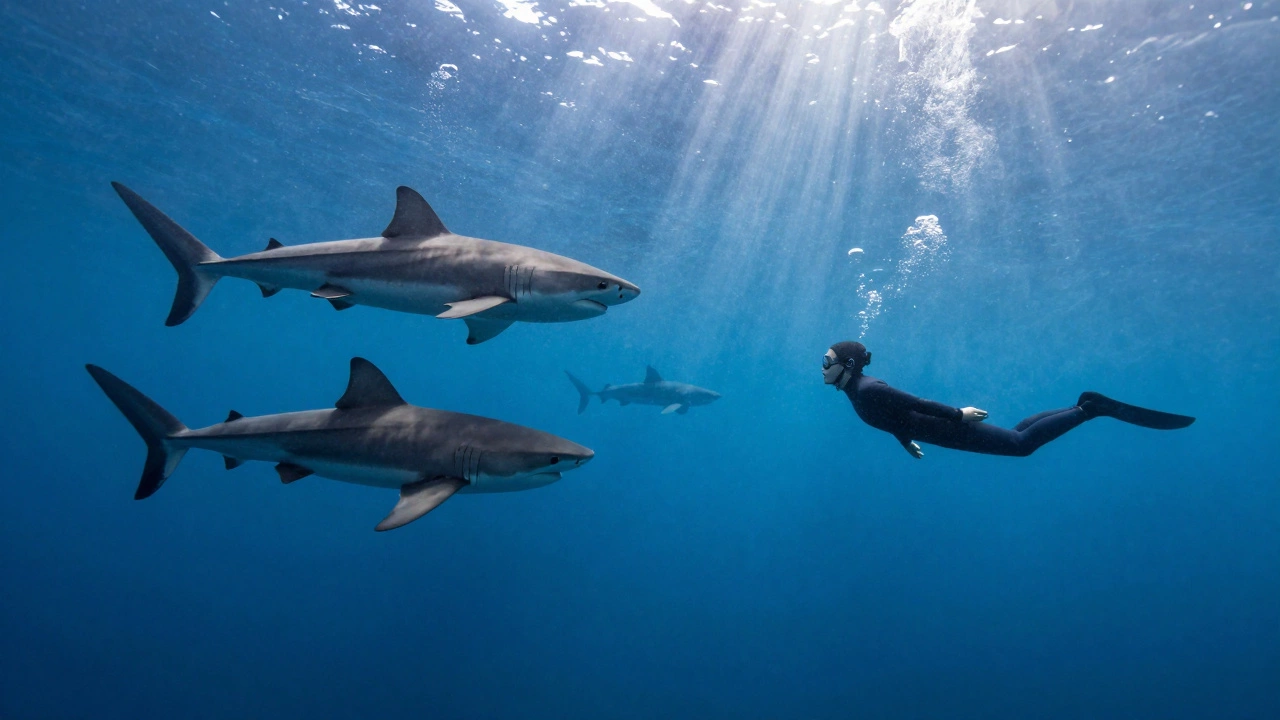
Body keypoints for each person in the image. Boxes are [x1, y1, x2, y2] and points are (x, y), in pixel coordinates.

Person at [821, 341, 1194, 459]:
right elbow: (896, 417)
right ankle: (1083, 405)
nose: (823, 369)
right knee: (1016, 434)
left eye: (828, 362)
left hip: (950, 428)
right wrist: (905, 441)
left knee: (1020, 446)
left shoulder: (868, 389)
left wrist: (958, 414)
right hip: (942, 432)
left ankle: (1088, 409)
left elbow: (913, 403)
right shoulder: (858, 392)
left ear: (848, 365)